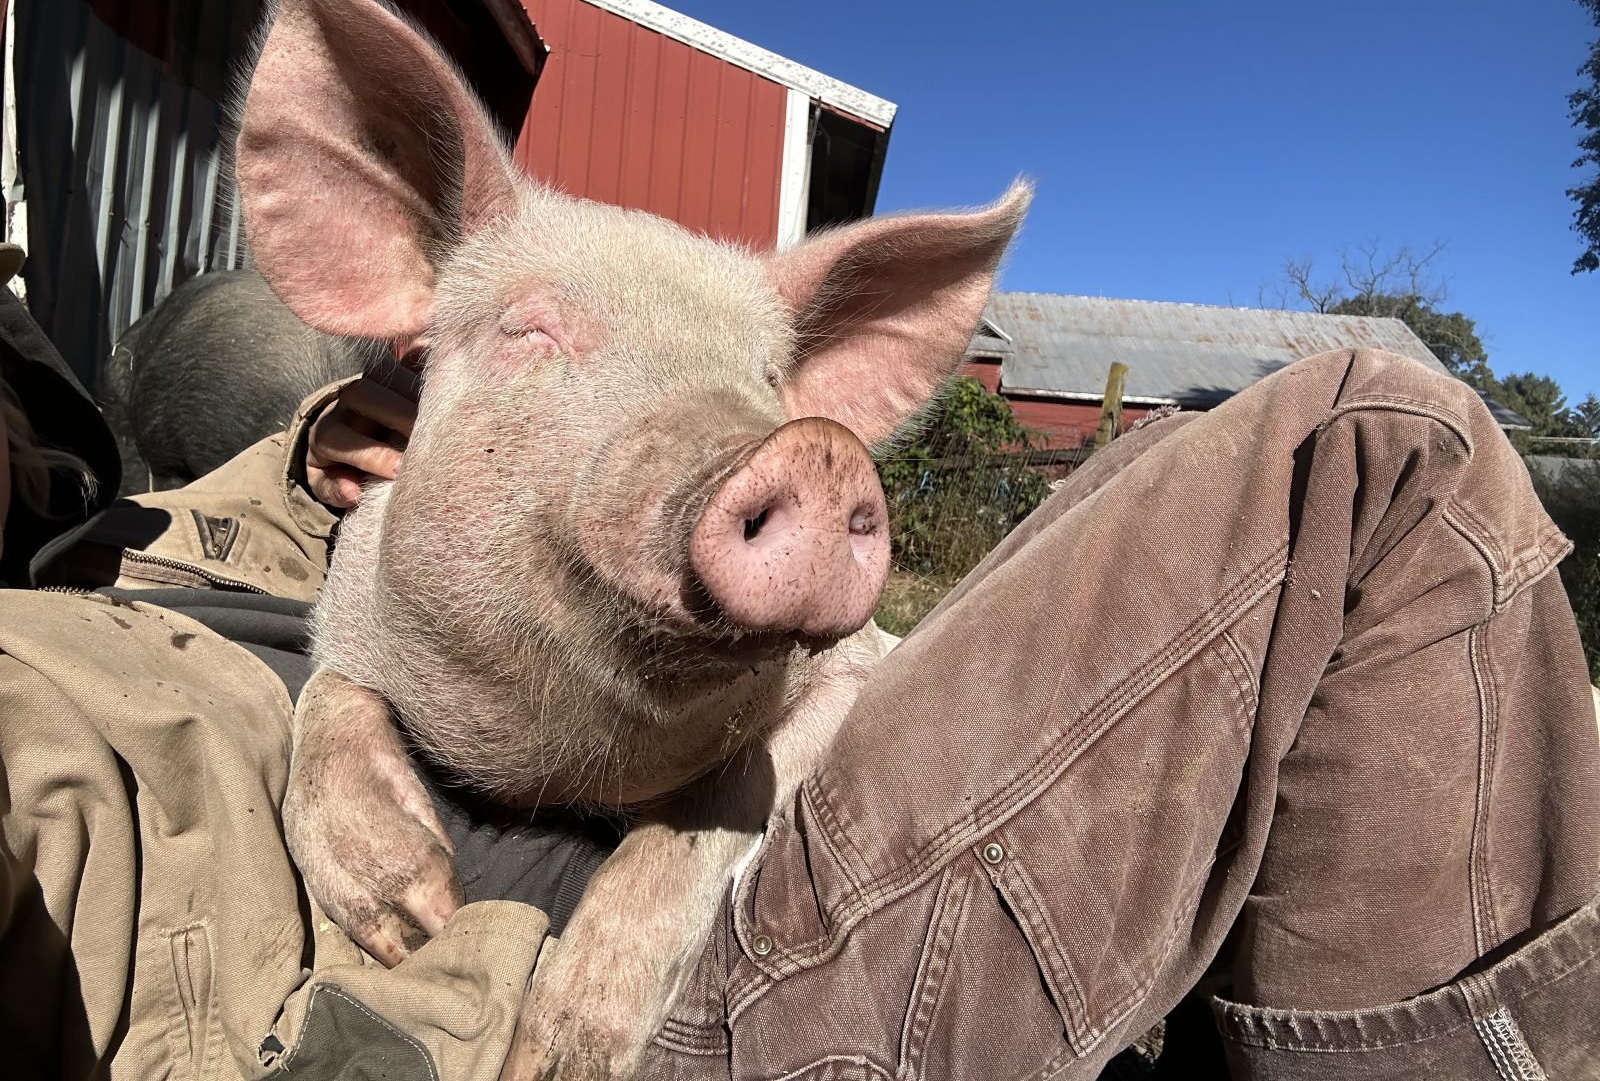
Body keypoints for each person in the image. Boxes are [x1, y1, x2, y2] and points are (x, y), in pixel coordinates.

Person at [1, 274, 1596, 1079]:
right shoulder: (88, 652)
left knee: (1242, 485)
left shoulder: (235, 546)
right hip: (622, 1011)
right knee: (1379, 453)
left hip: (715, 890)